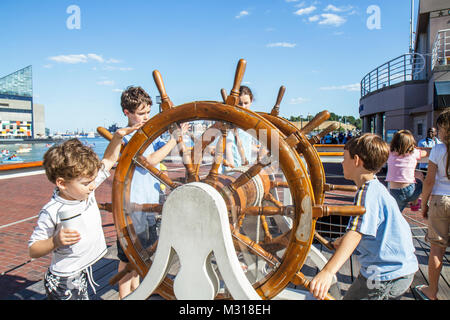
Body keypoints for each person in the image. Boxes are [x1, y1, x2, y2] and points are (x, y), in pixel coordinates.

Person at [28, 125, 141, 300]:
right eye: (87, 182)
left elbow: (109, 160)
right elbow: (33, 250)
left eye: (92, 180)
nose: (93, 185)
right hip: (63, 280)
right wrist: (55, 241)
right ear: (62, 183)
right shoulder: (52, 211)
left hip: (81, 271)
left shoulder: (85, 190)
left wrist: (117, 137)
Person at [309, 133, 418, 300]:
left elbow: (356, 233)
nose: (342, 162)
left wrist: (327, 272)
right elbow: (368, 227)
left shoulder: (366, 193)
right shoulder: (376, 188)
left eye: (344, 157)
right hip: (393, 268)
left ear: (357, 160)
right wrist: (343, 238)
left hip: (385, 274)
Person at [116, 86, 188, 299]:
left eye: (148, 112)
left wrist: (175, 131)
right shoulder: (125, 139)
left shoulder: (149, 137)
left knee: (143, 256)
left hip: (148, 207)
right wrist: (174, 139)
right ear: (126, 113)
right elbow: (148, 161)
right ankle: (123, 296)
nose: (146, 118)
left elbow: (171, 149)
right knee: (128, 258)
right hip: (130, 209)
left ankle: (137, 293)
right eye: (140, 113)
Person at [414, 109, 450, 300]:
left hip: (440, 200)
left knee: (436, 249)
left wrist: (424, 204)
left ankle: (432, 291)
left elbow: (429, 181)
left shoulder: (438, 150)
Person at [385, 130, 428, 212]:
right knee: (420, 178)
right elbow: (426, 153)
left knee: (395, 214)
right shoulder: (414, 152)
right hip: (409, 190)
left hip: (393, 190)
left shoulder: (390, 152)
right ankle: (415, 203)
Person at [224, 86, 260, 169]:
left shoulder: (250, 122)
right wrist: (231, 170)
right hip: (233, 168)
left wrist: (261, 152)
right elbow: (228, 147)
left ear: (251, 101)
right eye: (240, 103)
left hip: (245, 167)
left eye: (246, 103)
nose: (243, 106)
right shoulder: (231, 122)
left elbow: (248, 144)